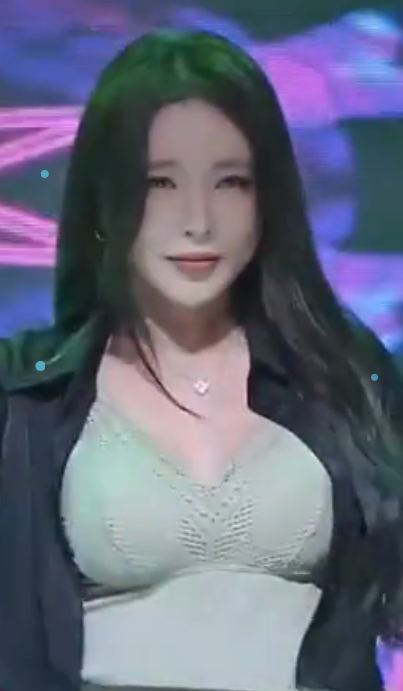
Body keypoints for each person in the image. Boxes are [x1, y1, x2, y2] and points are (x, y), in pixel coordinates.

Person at [0, 28, 403, 691]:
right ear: (105, 200)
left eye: (231, 183)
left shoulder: (343, 374)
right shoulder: (28, 394)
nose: (197, 220)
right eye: (160, 182)